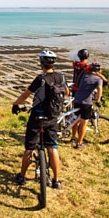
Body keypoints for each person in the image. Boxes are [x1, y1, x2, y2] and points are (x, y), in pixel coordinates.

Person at [10, 50, 67, 189]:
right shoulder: (61, 77)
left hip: (37, 117)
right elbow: (67, 92)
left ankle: (21, 176)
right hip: (53, 117)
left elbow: (26, 94)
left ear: (41, 62)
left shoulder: (40, 78)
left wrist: (15, 104)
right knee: (52, 147)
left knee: (29, 148)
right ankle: (56, 181)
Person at [71, 62, 104, 149]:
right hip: (86, 102)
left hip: (77, 100)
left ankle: (73, 137)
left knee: (75, 120)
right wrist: (98, 100)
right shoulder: (98, 79)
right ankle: (79, 143)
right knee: (84, 122)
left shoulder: (84, 76)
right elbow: (100, 89)